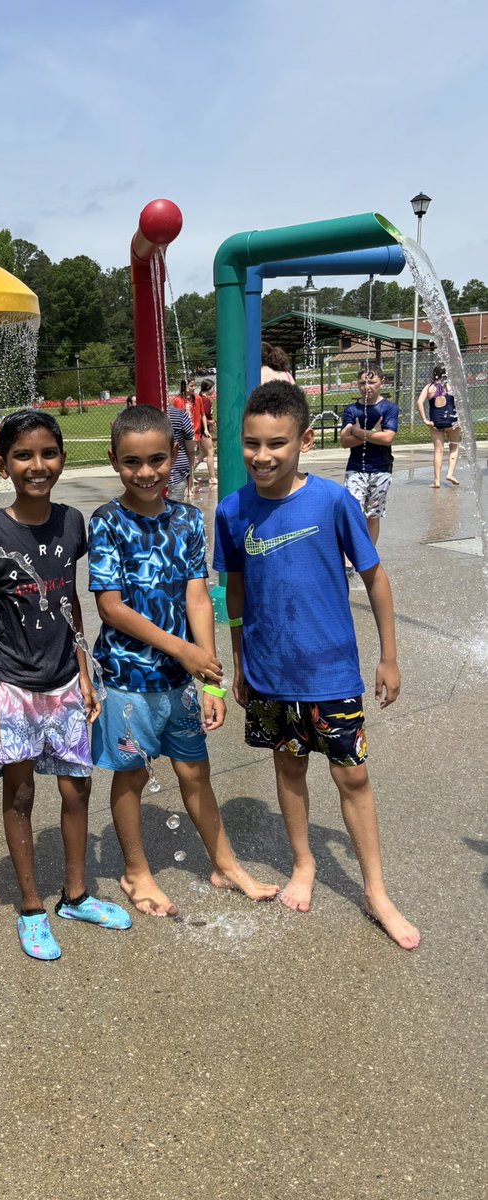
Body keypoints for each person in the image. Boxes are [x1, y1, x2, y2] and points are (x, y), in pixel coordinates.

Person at [213, 380, 419, 951]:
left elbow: (374, 577)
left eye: (276, 443)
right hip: (270, 674)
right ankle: (303, 863)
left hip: (330, 672)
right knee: (289, 765)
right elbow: (234, 589)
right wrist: (238, 660)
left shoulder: (332, 502)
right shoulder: (232, 512)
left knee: (352, 775)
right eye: (251, 443)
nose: (262, 456)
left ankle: (376, 891)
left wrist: (390, 656)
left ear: (303, 440)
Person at [88, 404, 279, 918]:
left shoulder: (191, 520)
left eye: (156, 459)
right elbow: (111, 606)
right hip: (128, 679)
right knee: (129, 775)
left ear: (176, 455)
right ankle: (136, 870)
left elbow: (198, 596)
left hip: (182, 681)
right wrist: (181, 649)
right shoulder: (107, 522)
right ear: (114, 461)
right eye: (132, 462)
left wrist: (211, 677)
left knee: (196, 773)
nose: (146, 472)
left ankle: (224, 864)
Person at [0, 409, 131, 960]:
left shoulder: (71, 523)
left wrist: (85, 672)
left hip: (63, 682)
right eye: (23, 455)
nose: (38, 465)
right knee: (21, 791)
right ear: (3, 463)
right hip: (10, 684)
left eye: (48, 453)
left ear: (61, 457)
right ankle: (32, 906)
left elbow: (68, 598)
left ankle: (75, 894)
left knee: (76, 787)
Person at [339, 363, 398, 550]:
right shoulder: (351, 410)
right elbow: (344, 441)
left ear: (382, 382)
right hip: (356, 468)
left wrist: (360, 432)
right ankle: (351, 556)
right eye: (362, 383)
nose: (367, 387)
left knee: (373, 515)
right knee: (353, 510)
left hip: (381, 468)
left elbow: (388, 438)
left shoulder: (389, 408)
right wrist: (373, 433)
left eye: (372, 382)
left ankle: (369, 554)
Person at [417, 365, 461, 487]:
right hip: (452, 421)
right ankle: (450, 474)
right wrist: (461, 419)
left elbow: (419, 402)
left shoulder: (429, 387)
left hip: (436, 422)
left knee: (438, 450)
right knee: (454, 447)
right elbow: (461, 403)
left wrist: (425, 419)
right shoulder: (452, 386)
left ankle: (436, 481)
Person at [166, 395, 194, 501]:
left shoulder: (147, 415)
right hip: (178, 466)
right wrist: (190, 469)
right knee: (175, 506)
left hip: (154, 468)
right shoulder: (180, 415)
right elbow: (190, 448)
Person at [194, 379, 218, 489]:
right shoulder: (206, 400)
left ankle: (189, 473)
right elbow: (201, 415)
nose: (214, 390)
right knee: (210, 452)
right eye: (213, 388)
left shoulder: (200, 398)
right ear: (208, 388)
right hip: (204, 430)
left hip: (200, 429)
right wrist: (209, 422)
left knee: (203, 453)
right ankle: (212, 477)